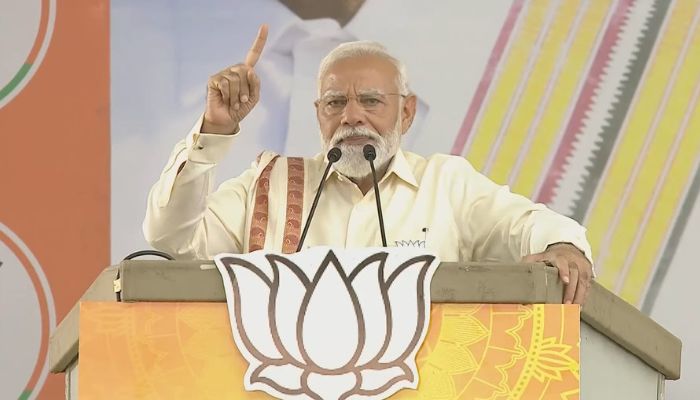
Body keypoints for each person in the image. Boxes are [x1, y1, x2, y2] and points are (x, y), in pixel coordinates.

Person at [144, 25, 594, 304]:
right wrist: (214, 130)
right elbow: (170, 239)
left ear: (407, 112)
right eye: (335, 102)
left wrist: (564, 247)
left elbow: (529, 226)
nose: (351, 116)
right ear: (318, 113)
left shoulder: (446, 184)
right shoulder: (271, 181)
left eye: (371, 101)